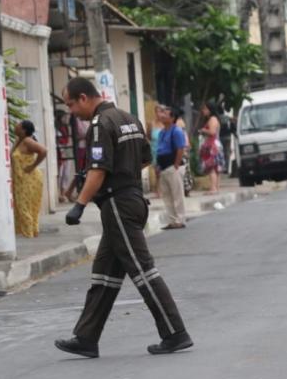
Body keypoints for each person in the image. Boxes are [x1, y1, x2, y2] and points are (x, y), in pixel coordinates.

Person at [55, 77, 193, 358]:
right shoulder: (128, 119)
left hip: (118, 203)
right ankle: (86, 337)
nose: (71, 111)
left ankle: (175, 332)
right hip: (131, 200)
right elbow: (144, 158)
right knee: (104, 275)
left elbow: (98, 170)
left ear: (84, 98)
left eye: (71, 104)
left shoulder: (99, 125)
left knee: (143, 270)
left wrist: (79, 205)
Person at [12, 120, 48, 238]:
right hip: (20, 179)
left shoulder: (28, 141)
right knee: (22, 205)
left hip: (29, 179)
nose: (15, 126)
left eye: (18, 125)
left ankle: (29, 234)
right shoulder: (19, 140)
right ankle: (29, 232)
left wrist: (33, 166)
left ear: (23, 130)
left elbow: (43, 151)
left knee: (25, 207)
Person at [156, 105, 188, 230]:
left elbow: (180, 148)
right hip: (163, 167)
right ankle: (172, 219)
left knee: (177, 194)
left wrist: (176, 164)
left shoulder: (176, 131)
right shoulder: (162, 132)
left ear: (172, 117)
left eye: (166, 114)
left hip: (172, 166)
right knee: (167, 195)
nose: (162, 115)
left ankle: (180, 219)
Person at [198, 101, 223, 195]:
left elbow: (212, 132)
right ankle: (216, 187)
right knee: (216, 168)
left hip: (212, 146)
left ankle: (213, 187)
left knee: (211, 167)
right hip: (215, 145)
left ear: (210, 109)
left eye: (205, 109)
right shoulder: (214, 119)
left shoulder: (212, 119)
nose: (203, 111)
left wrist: (203, 130)